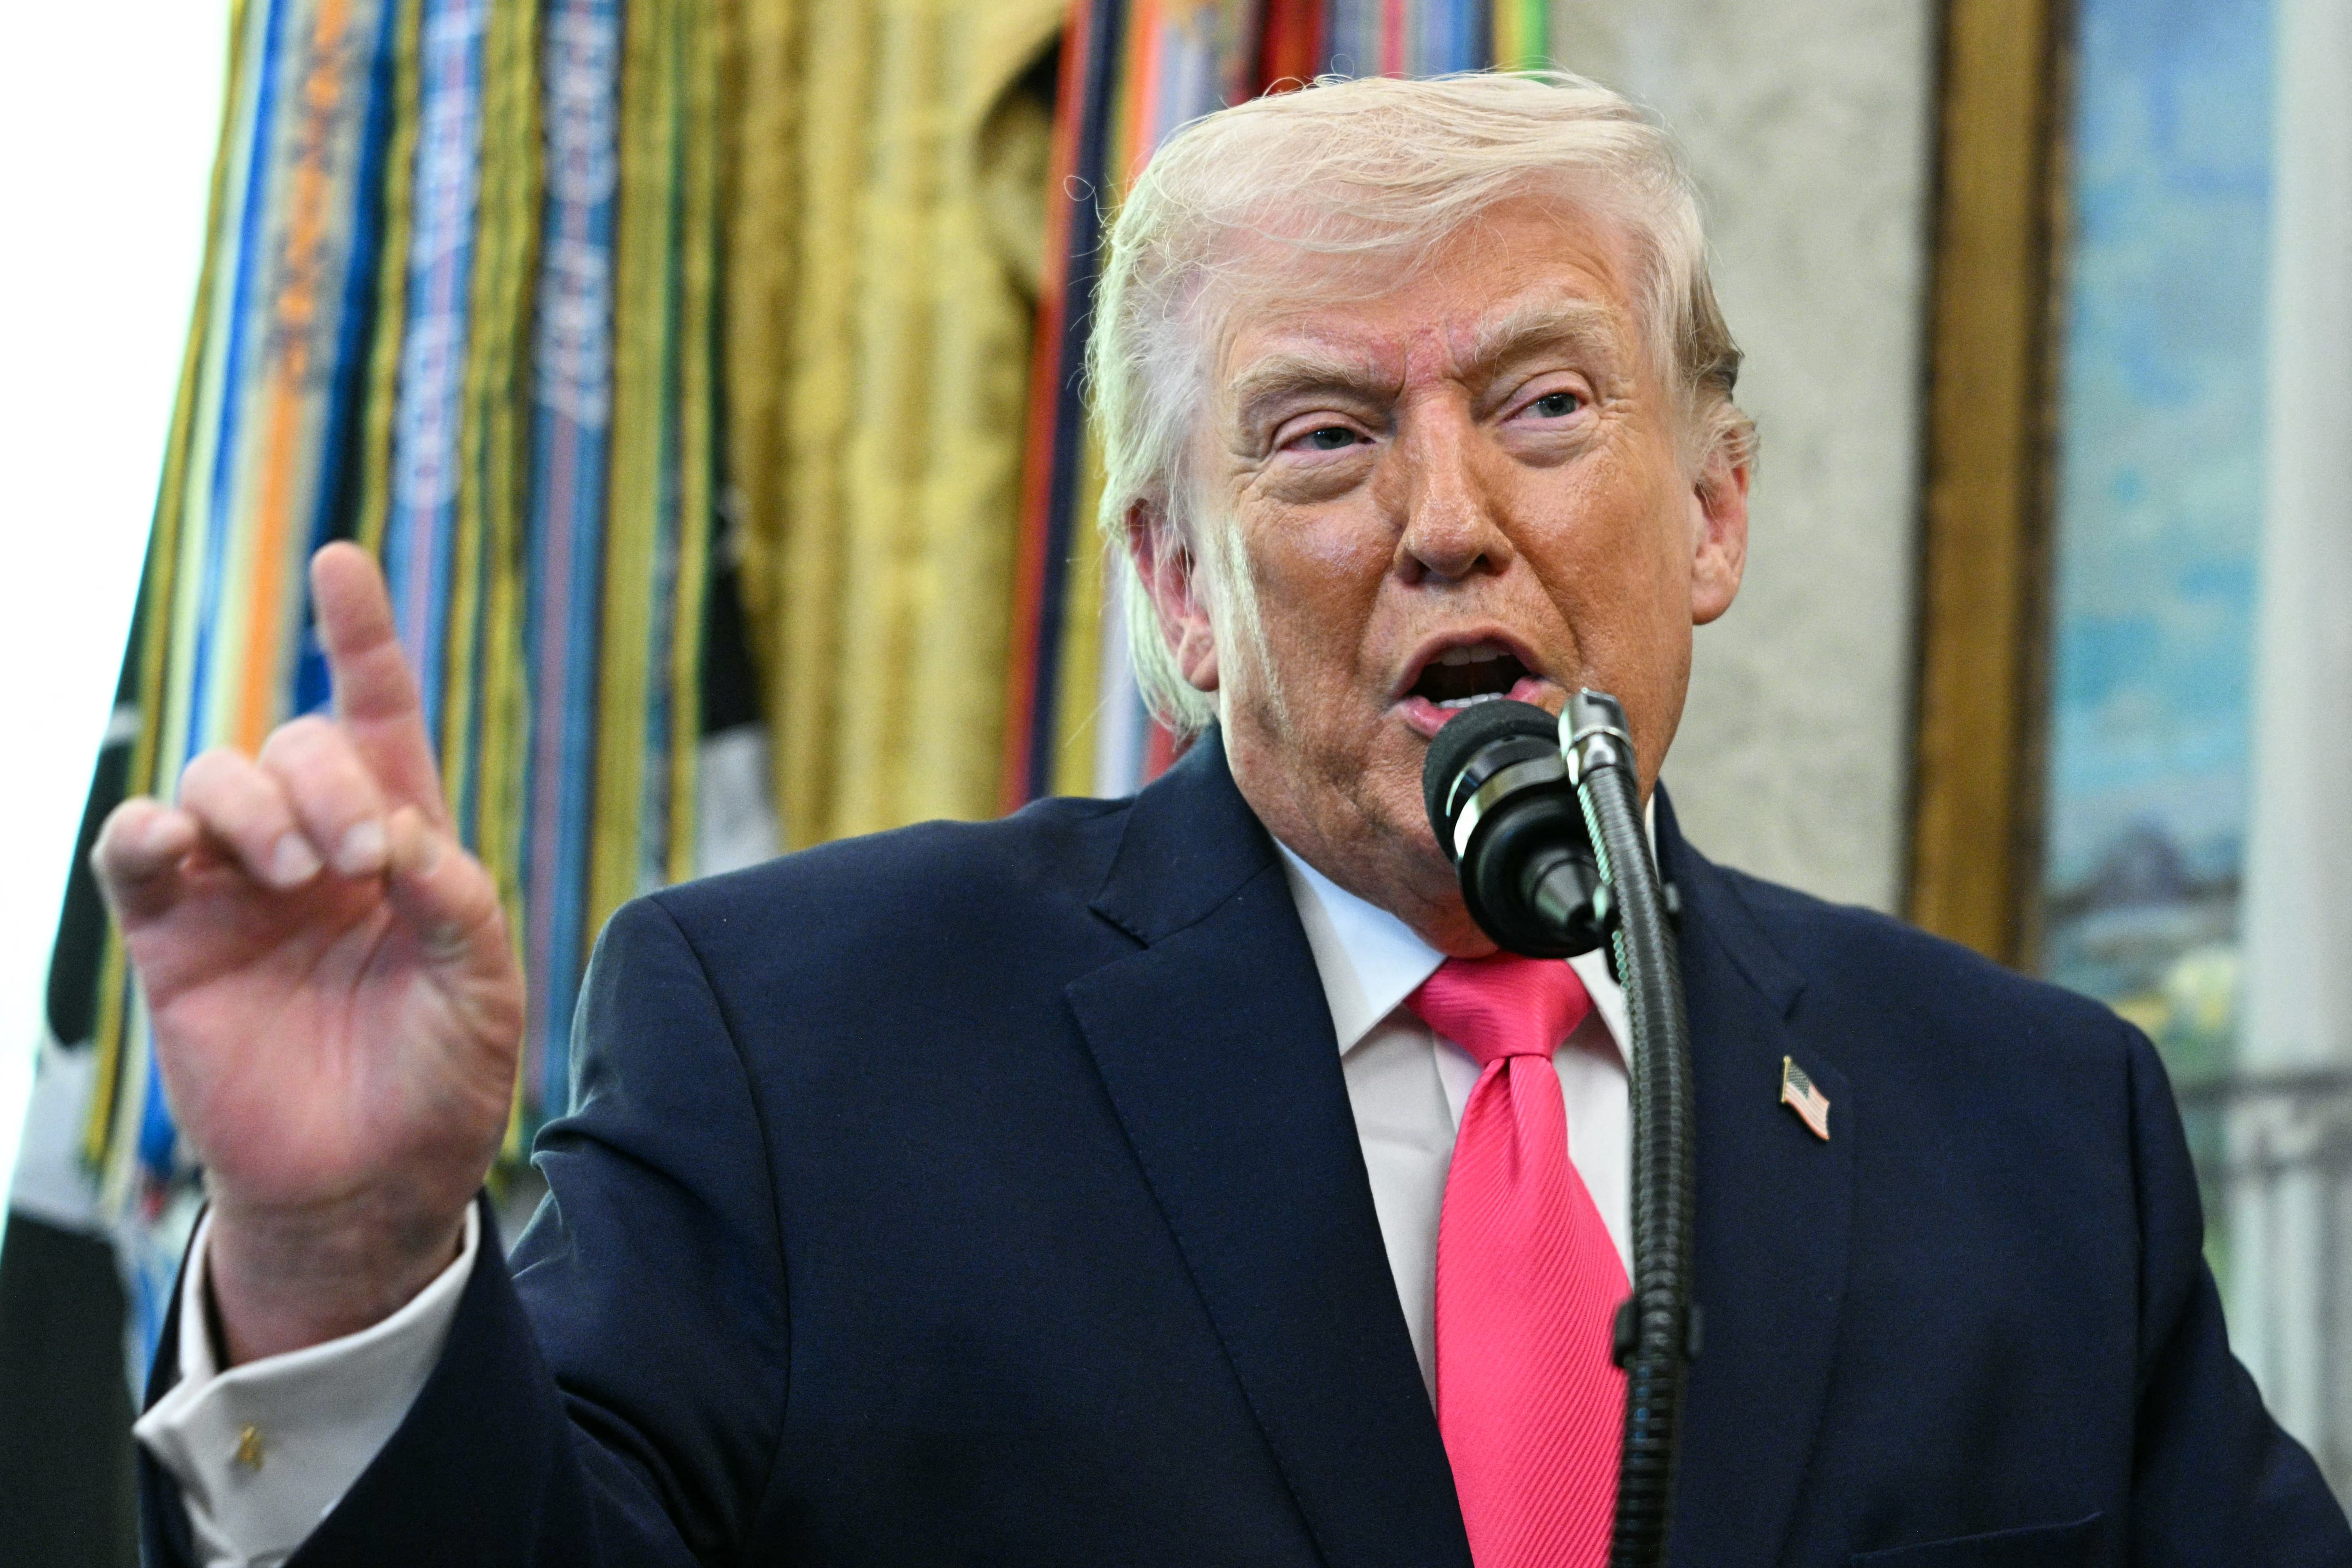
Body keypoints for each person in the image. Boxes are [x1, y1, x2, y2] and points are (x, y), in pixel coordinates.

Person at [99, 72, 2350, 1568]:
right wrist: (348, 1256)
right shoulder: (801, 1045)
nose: (1447, 521)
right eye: (1318, 440)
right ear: (1177, 584)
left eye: (1546, 406)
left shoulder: (2038, 1125)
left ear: (1710, 508)